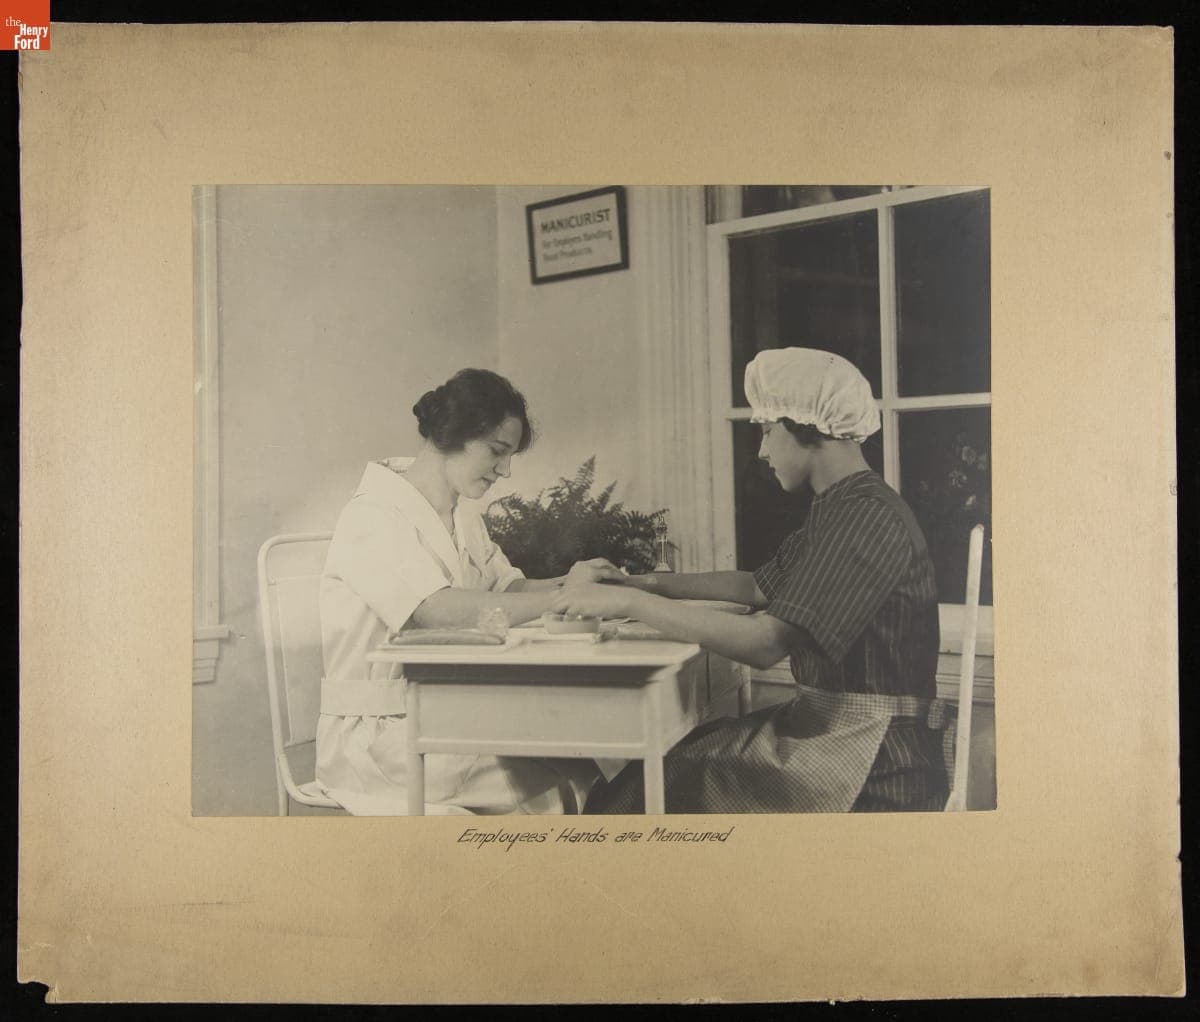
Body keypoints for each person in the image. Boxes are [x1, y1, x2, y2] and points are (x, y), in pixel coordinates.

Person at [552, 348, 949, 813]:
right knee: (665, 766)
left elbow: (764, 644)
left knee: (636, 792)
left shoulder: (863, 516)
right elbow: (757, 587)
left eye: (766, 431)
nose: (760, 451)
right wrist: (638, 584)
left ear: (807, 426)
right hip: (835, 735)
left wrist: (627, 607)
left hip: (873, 762)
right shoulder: (843, 505)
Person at [316, 368, 623, 816]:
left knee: (582, 768)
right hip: (375, 738)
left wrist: (572, 582)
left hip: (441, 716)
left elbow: (507, 586)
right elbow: (437, 611)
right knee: (551, 790)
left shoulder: (459, 515)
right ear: (452, 434)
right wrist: (561, 601)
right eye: (498, 451)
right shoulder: (372, 517)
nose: (506, 469)